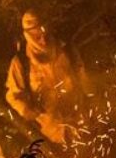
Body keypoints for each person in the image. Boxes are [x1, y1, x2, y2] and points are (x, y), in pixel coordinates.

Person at [5, 10, 86, 146]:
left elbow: (83, 79)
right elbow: (13, 95)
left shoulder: (66, 51)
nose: (43, 39)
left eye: (45, 34)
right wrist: (26, 109)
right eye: (37, 36)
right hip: (50, 135)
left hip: (80, 126)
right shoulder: (21, 62)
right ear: (28, 36)